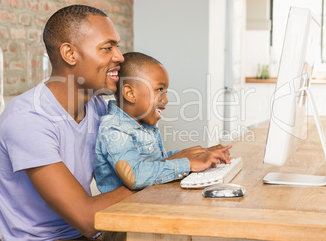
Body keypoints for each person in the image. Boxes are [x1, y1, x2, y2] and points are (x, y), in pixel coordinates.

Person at [0, 5, 231, 240]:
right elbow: (85, 218)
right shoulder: (29, 119)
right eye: (107, 48)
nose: (119, 57)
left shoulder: (95, 108)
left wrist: (183, 160)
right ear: (70, 54)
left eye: (117, 47)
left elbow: (131, 164)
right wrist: (168, 167)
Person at [94, 52, 232, 194]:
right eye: (159, 90)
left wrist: (202, 154)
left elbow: (157, 163)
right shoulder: (114, 128)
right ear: (130, 93)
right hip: (123, 211)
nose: (165, 100)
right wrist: (188, 164)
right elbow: (134, 175)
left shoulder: (143, 125)